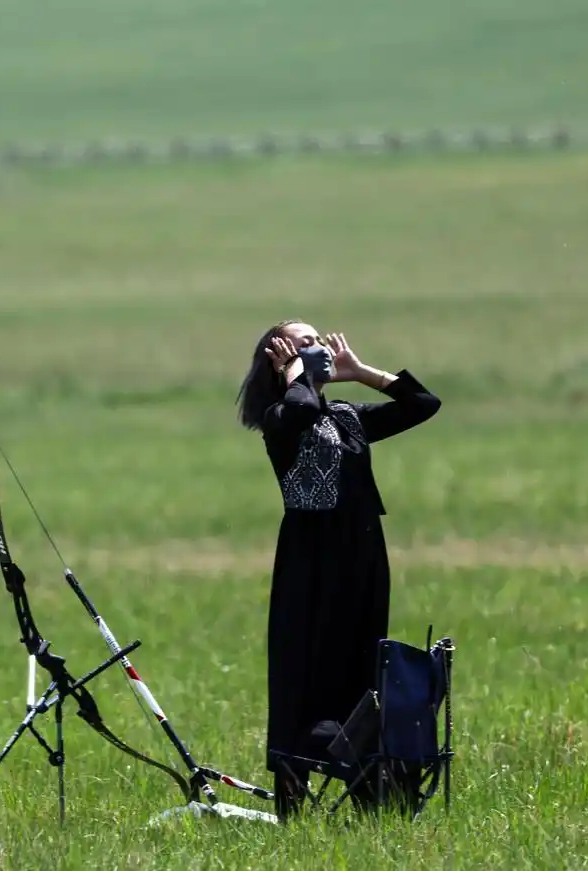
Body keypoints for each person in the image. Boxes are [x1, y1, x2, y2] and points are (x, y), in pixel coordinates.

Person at [235, 319, 441, 821]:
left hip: (363, 556)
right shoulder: (279, 418)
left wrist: (362, 372)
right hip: (311, 561)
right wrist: (293, 375)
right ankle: (294, 795)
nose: (320, 347)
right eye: (305, 343)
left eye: (319, 339)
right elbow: (302, 411)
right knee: (304, 667)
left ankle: (368, 782)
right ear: (279, 357)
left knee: (362, 667)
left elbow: (423, 404)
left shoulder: (347, 416)